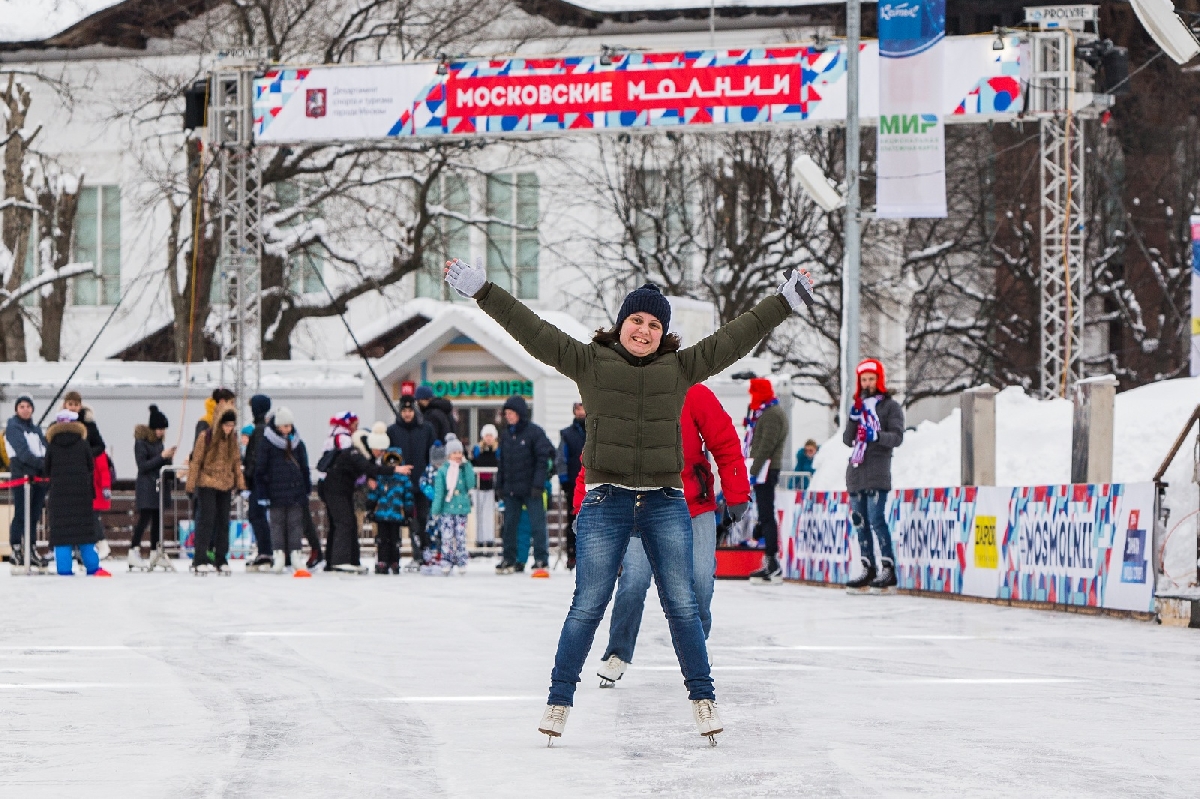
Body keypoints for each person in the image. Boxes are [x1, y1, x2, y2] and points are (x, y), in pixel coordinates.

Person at [443, 257, 813, 743]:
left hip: (664, 501)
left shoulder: (681, 369)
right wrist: (483, 291)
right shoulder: (589, 362)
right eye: (636, 320)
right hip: (606, 501)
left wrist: (783, 302)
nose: (643, 330)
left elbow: (737, 336)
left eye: (654, 324)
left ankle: (704, 700)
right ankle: (558, 700)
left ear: (664, 333)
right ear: (621, 324)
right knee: (587, 604)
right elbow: (532, 330)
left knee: (682, 604)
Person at [592, 383, 751, 686]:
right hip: (642, 502)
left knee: (701, 578)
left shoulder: (693, 393)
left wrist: (736, 492)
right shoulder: (625, 392)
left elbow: (725, 441)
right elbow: (596, 453)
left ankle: (697, 643)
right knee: (634, 579)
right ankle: (618, 652)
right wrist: (583, 506)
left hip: (693, 503)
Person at [844, 359, 905, 591]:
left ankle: (887, 568)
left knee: (877, 519)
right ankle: (867, 567)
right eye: (864, 380)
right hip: (857, 471)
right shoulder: (859, 407)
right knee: (860, 523)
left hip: (878, 470)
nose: (868, 383)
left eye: (871, 379)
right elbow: (847, 439)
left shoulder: (890, 407)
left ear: (879, 380)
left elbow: (897, 437)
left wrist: (876, 436)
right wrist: (853, 417)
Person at [321, 412, 398, 572]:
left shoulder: (361, 453)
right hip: (334, 489)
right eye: (380, 450)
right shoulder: (353, 450)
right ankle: (340, 560)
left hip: (340, 489)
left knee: (346, 523)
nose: (381, 454)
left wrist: (370, 477)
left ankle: (346, 560)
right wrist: (396, 469)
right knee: (345, 522)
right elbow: (368, 467)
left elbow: (368, 468)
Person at [45, 410, 110, 577]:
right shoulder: (83, 444)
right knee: (85, 536)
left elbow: (46, 470)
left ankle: (64, 570)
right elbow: (90, 466)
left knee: (62, 537)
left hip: (59, 497)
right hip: (82, 496)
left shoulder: (52, 446)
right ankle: (93, 568)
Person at [494, 395, 554, 575]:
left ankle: (541, 558)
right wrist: (500, 485)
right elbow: (502, 462)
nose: (508, 416)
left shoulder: (534, 432)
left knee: (537, 524)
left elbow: (543, 458)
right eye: (506, 413)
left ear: (520, 413)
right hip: (512, 488)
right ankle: (509, 558)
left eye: (511, 413)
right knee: (510, 525)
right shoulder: (506, 436)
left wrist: (538, 483)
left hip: (532, 488)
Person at [254, 406, 313, 576]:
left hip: (295, 492)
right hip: (275, 492)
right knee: (277, 524)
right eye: (284, 426)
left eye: (290, 425)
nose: (288, 429)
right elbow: (261, 469)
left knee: (295, 524)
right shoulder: (267, 443)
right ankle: (278, 554)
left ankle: (296, 554)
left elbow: (304, 467)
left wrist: (306, 487)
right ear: (277, 426)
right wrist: (262, 493)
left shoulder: (297, 443)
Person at [185, 409, 245, 575]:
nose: (229, 429)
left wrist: (240, 484)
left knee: (223, 523)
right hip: (207, 484)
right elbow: (196, 461)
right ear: (220, 424)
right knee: (206, 521)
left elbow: (236, 462)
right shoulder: (206, 437)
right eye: (226, 425)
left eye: (232, 426)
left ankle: (221, 558)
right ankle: (200, 558)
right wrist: (190, 486)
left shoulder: (232, 440)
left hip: (225, 485)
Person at [744, 378, 790, 585]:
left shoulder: (772, 414)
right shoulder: (766, 412)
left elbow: (766, 446)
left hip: (766, 469)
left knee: (766, 514)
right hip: (763, 468)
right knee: (764, 514)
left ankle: (773, 563)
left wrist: (753, 471)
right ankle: (770, 561)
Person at [386, 396, 435, 569]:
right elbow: (389, 458)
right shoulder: (392, 431)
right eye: (404, 411)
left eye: (410, 410)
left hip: (422, 483)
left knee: (424, 519)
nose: (407, 414)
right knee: (407, 521)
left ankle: (426, 554)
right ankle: (412, 555)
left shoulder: (426, 429)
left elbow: (433, 454)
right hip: (400, 484)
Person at [6, 395, 49, 568]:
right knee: (21, 513)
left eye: (28, 406)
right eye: (21, 406)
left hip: (38, 478)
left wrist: (47, 466)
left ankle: (30, 548)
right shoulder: (13, 428)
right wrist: (42, 465)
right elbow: (23, 453)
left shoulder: (36, 429)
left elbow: (45, 448)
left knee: (34, 514)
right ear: (17, 409)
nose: (25, 409)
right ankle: (16, 548)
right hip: (22, 477)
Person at [130, 405, 176, 567]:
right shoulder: (141, 443)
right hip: (146, 487)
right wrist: (162, 457)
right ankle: (133, 549)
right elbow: (142, 466)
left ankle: (155, 552)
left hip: (158, 487)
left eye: (163, 429)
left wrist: (168, 459)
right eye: (159, 429)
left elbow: (160, 465)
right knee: (144, 519)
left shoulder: (158, 444)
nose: (161, 432)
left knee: (157, 521)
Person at [366, 444, 415, 575]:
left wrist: (409, 513)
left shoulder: (403, 479)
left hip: (396, 514)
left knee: (395, 540)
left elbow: (408, 497)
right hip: (382, 514)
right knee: (382, 539)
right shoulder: (381, 477)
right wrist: (370, 508)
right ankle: (382, 561)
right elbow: (374, 493)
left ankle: (394, 561)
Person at [432, 435, 475, 576]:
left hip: (461, 508)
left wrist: (467, 465)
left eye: (459, 452)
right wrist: (436, 509)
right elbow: (439, 492)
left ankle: (462, 560)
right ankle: (447, 560)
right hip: (447, 509)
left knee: (461, 536)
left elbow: (471, 484)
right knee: (447, 536)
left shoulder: (464, 469)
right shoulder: (443, 471)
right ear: (448, 454)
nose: (457, 455)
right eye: (455, 453)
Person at [243, 393, 274, 571]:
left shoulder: (260, 430)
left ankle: (265, 552)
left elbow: (255, 458)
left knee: (256, 515)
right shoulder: (262, 429)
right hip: (259, 480)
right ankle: (265, 550)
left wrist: (248, 476)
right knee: (258, 516)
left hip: (258, 481)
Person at [555, 402, 586, 569]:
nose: (581, 412)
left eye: (583, 408)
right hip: (574, 484)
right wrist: (564, 480)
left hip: (594, 483)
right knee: (573, 520)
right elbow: (561, 458)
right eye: (578, 409)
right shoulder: (567, 434)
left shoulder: (596, 430)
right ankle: (572, 554)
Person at [471, 423, 499, 545]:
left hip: (491, 486)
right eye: (486, 435)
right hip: (478, 486)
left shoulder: (498, 451)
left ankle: (489, 539)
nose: (488, 438)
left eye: (491, 436)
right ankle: (479, 539)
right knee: (479, 514)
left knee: (489, 514)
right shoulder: (477, 450)